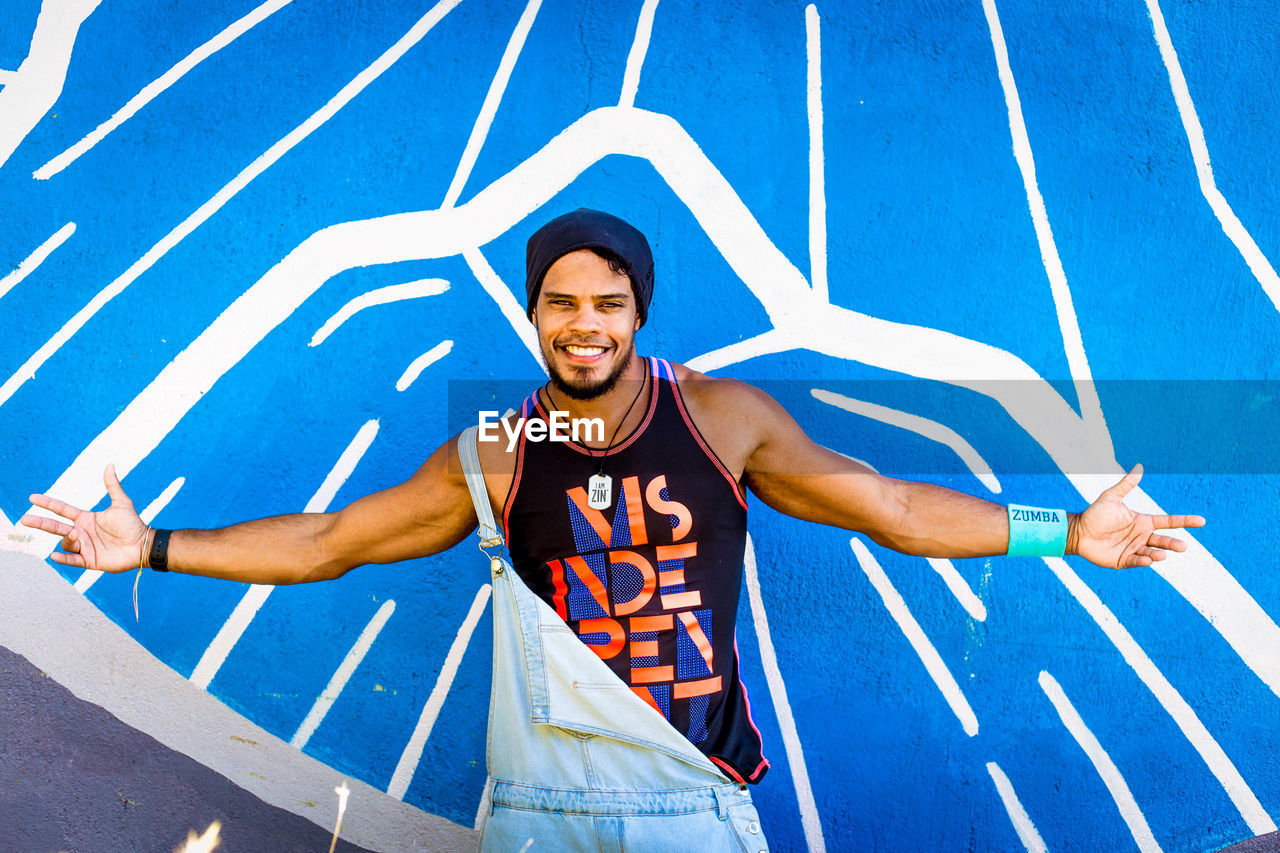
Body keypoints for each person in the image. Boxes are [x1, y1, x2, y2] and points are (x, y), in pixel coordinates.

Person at [21, 209, 1204, 850]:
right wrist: (154, 546)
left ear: (637, 310)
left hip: (694, 805)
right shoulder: (498, 442)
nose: (583, 324)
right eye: (560, 303)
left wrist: (1063, 531)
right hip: (537, 815)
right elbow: (333, 538)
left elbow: (891, 507)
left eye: (607, 303)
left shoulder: (722, 418)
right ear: (533, 311)